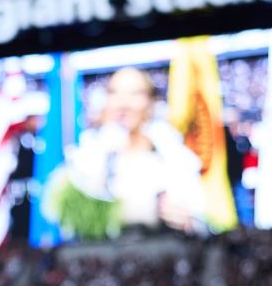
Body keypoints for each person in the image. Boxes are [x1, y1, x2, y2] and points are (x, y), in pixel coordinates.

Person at [47, 67, 206, 240]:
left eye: (135, 93)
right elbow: (67, 220)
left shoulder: (172, 157)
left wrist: (187, 222)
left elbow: (202, 222)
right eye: (114, 93)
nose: (123, 104)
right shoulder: (86, 158)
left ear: (150, 101)